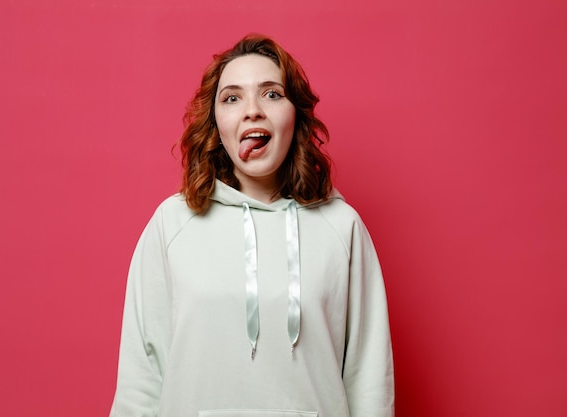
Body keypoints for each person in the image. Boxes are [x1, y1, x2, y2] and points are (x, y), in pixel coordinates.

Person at [109, 34, 394, 417]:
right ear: (216, 124)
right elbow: (141, 379)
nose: (252, 111)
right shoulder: (171, 224)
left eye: (272, 94)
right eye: (232, 98)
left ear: (296, 116)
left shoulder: (342, 227)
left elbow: (368, 379)